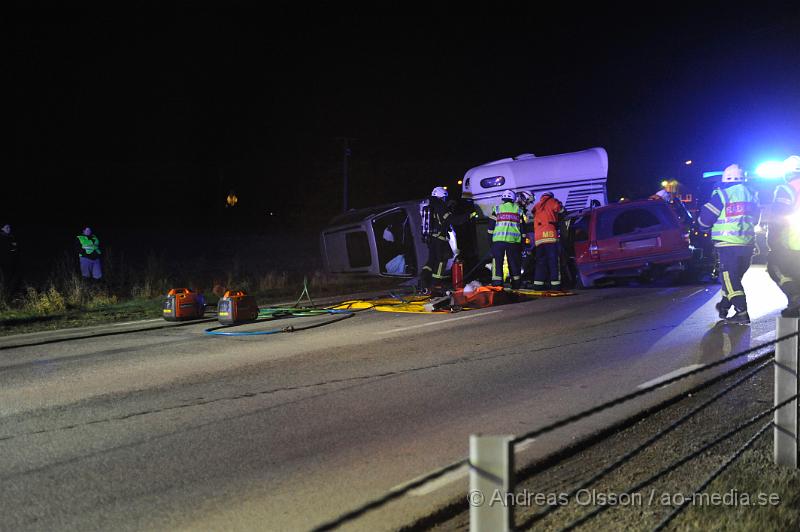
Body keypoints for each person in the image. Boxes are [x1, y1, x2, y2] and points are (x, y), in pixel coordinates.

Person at [697, 164, 759, 324]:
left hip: (728, 245)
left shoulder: (722, 195)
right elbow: (756, 218)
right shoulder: (751, 194)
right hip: (748, 244)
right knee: (733, 279)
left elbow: (706, 218)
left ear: (725, 179)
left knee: (729, 278)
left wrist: (702, 227)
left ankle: (742, 313)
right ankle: (724, 306)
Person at [419, 187, 475, 293]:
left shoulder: (429, 204)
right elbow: (454, 220)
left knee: (431, 260)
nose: (445, 200)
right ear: (442, 196)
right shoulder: (440, 205)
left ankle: (423, 280)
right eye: (444, 197)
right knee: (442, 260)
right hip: (439, 239)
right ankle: (436, 283)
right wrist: (469, 216)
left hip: (431, 238)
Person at [764, 155, 800, 317]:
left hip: (794, 243)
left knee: (775, 267)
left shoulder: (786, 189)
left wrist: (772, 240)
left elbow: (778, 216)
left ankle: (795, 299)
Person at [488, 190, 526, 289]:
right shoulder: (518, 210)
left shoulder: (497, 209)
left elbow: (490, 228)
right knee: (514, 263)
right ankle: (516, 284)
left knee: (497, 263)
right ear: (513, 198)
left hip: (498, 242)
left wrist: (490, 244)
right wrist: (522, 244)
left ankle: (497, 284)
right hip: (513, 242)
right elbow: (523, 230)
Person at [532, 191, 566, 290]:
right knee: (553, 261)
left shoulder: (537, 205)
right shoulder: (552, 201)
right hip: (550, 236)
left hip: (538, 238)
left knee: (540, 262)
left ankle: (538, 285)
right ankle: (555, 285)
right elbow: (561, 211)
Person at [0, 222, 20, 294]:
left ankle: (10, 293)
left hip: (12, 261)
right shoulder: (2, 237)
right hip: (4, 262)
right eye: (7, 228)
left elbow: (15, 246)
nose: (9, 229)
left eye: (9, 227)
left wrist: (13, 248)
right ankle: (5, 294)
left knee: (13, 278)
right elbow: (7, 248)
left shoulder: (10, 236)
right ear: (2, 228)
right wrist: (12, 247)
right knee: (6, 279)